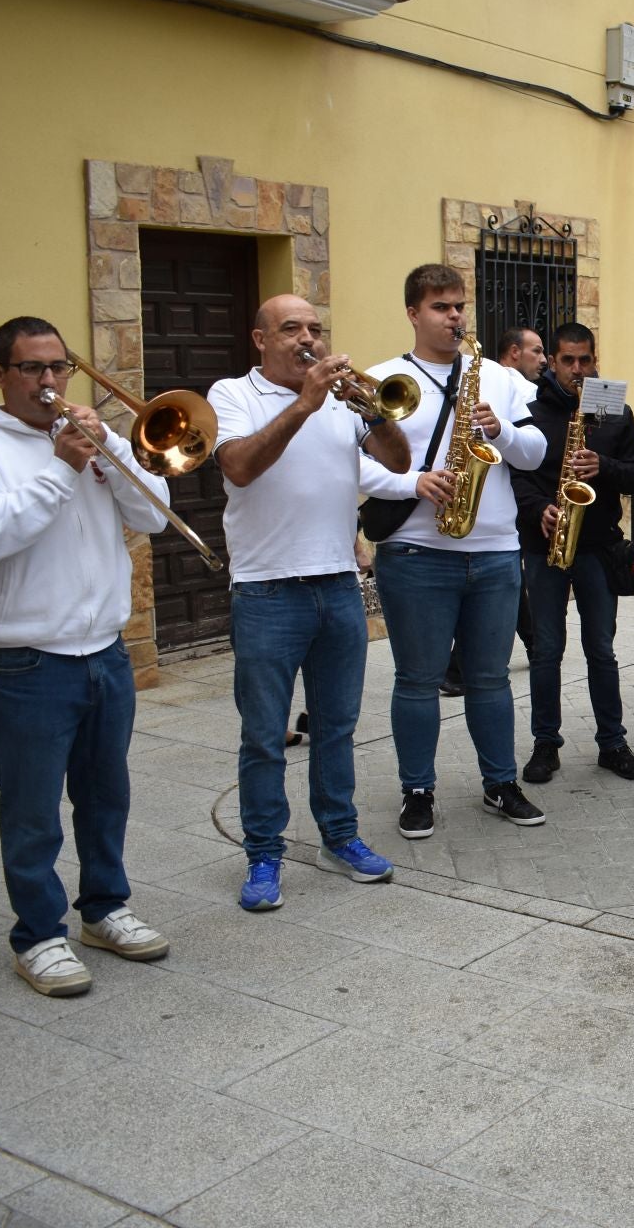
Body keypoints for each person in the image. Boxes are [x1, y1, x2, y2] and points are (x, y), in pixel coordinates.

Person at [0, 317, 172, 995]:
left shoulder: (91, 439)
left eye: (58, 368)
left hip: (104, 651)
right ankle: (38, 935)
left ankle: (105, 908)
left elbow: (154, 518)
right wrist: (62, 467)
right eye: (31, 370)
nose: (48, 382)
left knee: (105, 797)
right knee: (32, 809)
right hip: (25, 660)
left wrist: (114, 458)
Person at [207, 295, 411, 911]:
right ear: (260, 339)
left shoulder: (343, 402)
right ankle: (264, 853)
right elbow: (240, 467)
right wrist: (306, 403)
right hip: (266, 590)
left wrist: (370, 408)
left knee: (337, 729)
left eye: (315, 329)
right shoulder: (231, 395)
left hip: (337, 588)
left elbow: (399, 462)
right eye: (292, 328)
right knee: (265, 734)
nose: (308, 339)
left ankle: (339, 837)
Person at [359, 264, 549, 838]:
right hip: (416, 552)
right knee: (416, 680)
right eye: (441, 307)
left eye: (460, 305)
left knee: (491, 679)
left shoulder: (498, 376)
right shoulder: (382, 379)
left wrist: (503, 433)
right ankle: (417, 790)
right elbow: (353, 461)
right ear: (414, 313)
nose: (455, 316)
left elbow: (536, 452)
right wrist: (410, 484)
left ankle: (500, 782)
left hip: (493, 551)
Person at [512, 322, 634, 783]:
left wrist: (603, 466)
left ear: (596, 360)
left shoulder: (614, 411)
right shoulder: (528, 409)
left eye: (585, 360)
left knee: (602, 650)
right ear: (551, 361)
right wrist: (540, 511)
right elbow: (517, 478)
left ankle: (612, 743)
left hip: (596, 547)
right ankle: (545, 745)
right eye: (567, 360)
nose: (577, 369)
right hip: (544, 545)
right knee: (547, 650)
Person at [439, 325, 548, 699]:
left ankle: (462, 666)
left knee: (508, 585)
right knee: (506, 585)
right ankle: (463, 665)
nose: (543, 359)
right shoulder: (508, 382)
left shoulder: (515, 384)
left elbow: (534, 443)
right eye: (537, 351)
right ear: (514, 352)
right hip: (500, 494)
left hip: (504, 500)